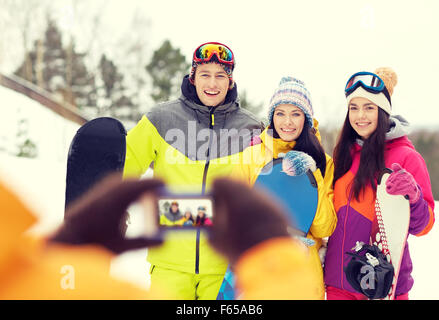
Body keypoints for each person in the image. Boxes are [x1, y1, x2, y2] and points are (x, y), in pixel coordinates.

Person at [0, 172, 321, 300]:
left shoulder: (20, 280)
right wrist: (270, 251)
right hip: (173, 266)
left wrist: (57, 253)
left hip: (212, 269)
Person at [123, 42, 264, 299]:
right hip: (169, 262)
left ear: (230, 81)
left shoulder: (252, 128)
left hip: (224, 266)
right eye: (205, 75)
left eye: (221, 76)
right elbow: (125, 166)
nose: (213, 83)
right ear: (193, 76)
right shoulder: (161, 119)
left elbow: (268, 184)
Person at [324, 67, 435, 300]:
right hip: (338, 282)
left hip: (383, 286)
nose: (360, 116)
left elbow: (424, 226)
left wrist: (414, 197)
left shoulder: (406, 157)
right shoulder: (343, 154)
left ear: (383, 111)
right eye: (353, 108)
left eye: (369, 108)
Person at [233, 76, 337, 299]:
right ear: (272, 117)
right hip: (262, 273)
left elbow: (324, 229)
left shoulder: (323, 162)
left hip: (304, 277)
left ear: (306, 119)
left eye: (295, 113)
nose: (287, 122)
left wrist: (313, 175)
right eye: (280, 113)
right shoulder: (251, 157)